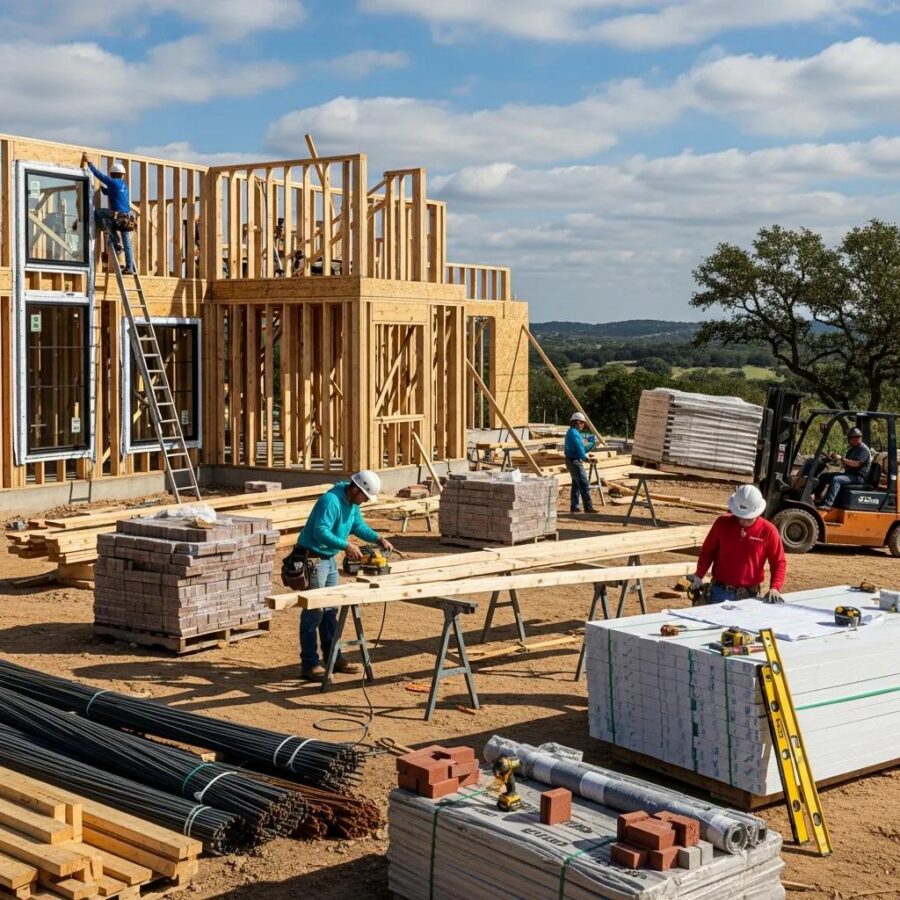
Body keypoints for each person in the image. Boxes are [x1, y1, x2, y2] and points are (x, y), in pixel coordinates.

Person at [295, 470, 395, 681]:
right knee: (314, 611)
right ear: (356, 489)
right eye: (364, 497)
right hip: (314, 558)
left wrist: (378, 538)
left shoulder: (352, 504)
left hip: (328, 559)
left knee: (331, 610)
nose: (365, 502)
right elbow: (320, 532)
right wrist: (346, 545)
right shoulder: (330, 501)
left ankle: (334, 657)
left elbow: (357, 526)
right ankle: (310, 664)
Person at [689, 484, 786, 604]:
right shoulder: (722, 523)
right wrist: (699, 575)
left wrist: (775, 588)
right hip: (719, 591)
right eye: (740, 517)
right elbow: (708, 552)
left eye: (748, 518)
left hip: (749, 594)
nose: (743, 521)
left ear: (757, 512)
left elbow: (778, 562)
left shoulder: (769, 531)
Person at [80, 153, 136, 274]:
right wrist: (103, 190)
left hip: (117, 217)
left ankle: (107, 234)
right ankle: (130, 267)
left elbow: (98, 175)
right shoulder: (123, 185)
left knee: (99, 213)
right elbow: (111, 193)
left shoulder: (112, 181)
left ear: (112, 174)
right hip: (127, 218)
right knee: (127, 243)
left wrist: (89, 163)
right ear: (122, 175)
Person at [817, 427, 872, 510]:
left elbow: (856, 464)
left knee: (836, 479)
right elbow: (846, 464)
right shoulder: (852, 450)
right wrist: (836, 459)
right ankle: (816, 499)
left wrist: (842, 459)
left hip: (858, 477)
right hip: (850, 475)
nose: (849, 441)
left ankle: (827, 504)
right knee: (824, 476)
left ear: (856, 438)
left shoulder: (863, 450)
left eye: (850, 439)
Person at [564, 412, 597, 514]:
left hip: (570, 460)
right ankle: (588, 507)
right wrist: (585, 458)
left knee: (576, 484)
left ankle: (575, 506)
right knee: (583, 483)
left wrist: (591, 444)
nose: (583, 425)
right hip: (574, 461)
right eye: (582, 423)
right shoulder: (574, 434)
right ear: (577, 422)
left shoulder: (572, 432)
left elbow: (582, 448)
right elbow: (579, 449)